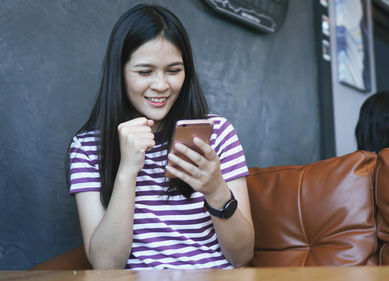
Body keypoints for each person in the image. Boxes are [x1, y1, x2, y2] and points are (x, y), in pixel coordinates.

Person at [67, 4, 254, 270]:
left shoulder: (218, 134)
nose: (161, 85)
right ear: (119, 72)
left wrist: (216, 191)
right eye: (145, 72)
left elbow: (242, 256)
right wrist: (127, 170)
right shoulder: (87, 148)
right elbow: (106, 266)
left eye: (174, 70)